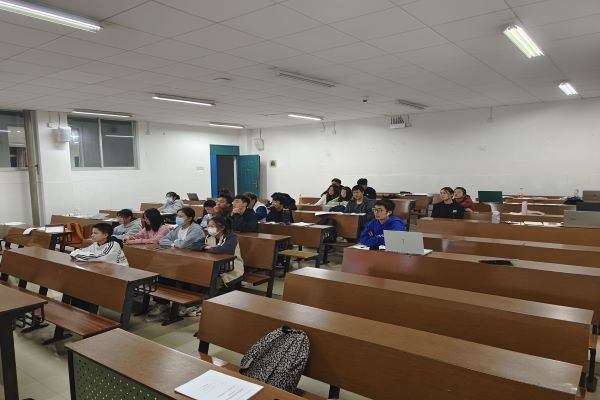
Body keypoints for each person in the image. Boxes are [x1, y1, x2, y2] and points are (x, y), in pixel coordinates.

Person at [194, 216, 244, 289]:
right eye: (208, 226)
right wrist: (206, 247)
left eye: (212, 226)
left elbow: (223, 250)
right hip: (212, 262)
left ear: (222, 227)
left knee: (208, 277)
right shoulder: (209, 237)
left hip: (231, 264)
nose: (209, 228)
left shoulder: (231, 237)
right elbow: (194, 245)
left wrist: (210, 249)